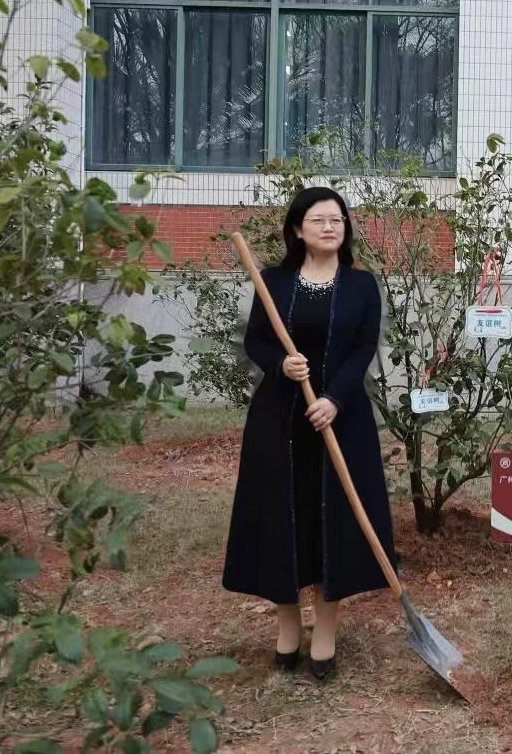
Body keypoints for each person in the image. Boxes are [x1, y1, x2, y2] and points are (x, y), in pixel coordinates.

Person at [222, 187, 395, 681]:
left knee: (333, 520)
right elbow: (257, 341)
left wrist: (333, 398)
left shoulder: (361, 285)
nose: (330, 227)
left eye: (337, 219)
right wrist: (281, 364)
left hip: (341, 417)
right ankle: (287, 627)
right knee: (282, 517)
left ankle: (325, 630)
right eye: (319, 220)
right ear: (298, 229)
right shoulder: (273, 282)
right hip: (279, 421)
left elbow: (364, 347)